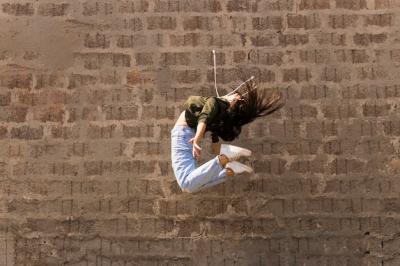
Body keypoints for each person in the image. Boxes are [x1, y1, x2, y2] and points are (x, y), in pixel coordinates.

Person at [170, 81, 284, 193]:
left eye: (236, 96)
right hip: (186, 135)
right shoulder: (221, 109)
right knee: (190, 186)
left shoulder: (215, 103)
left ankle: (224, 158)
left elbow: (204, 117)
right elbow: (207, 118)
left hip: (183, 135)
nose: (234, 94)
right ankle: (229, 170)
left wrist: (197, 139)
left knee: (186, 184)